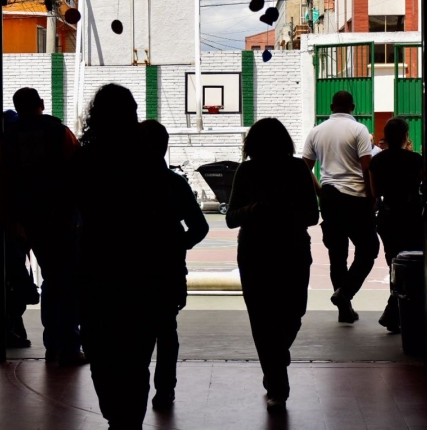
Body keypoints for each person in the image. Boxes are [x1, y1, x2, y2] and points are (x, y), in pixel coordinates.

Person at [72, 84, 179, 429]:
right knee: (135, 363)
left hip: (97, 275)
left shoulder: (83, 160)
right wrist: (174, 280)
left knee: (103, 360)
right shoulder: (149, 165)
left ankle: (118, 417)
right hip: (143, 276)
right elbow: (166, 229)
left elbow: (69, 220)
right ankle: (127, 420)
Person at [226, 118, 318, 412]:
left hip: (264, 251)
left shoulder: (290, 170)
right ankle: (278, 385)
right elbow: (232, 216)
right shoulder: (254, 171)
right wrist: (257, 209)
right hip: (279, 251)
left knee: (278, 319)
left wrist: (274, 212)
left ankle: (276, 356)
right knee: (280, 317)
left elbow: (311, 214)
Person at [0, 87, 85, 365]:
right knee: (65, 282)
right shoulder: (60, 133)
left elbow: (1, 180)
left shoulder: (8, 138)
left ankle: (52, 343)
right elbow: (79, 172)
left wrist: (12, 220)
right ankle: (68, 344)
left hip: (27, 220)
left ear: (17, 107)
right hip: (61, 217)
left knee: (49, 279)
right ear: (42, 104)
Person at [140, 120, 209, 410]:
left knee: (135, 336)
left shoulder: (122, 183)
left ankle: (134, 391)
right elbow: (199, 227)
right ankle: (165, 390)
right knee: (166, 331)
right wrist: (178, 244)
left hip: (132, 272)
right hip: (167, 270)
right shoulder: (174, 183)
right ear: (165, 147)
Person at [302, 91, 380, 323]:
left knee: (337, 255)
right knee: (369, 249)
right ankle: (345, 293)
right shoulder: (359, 130)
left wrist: (320, 190)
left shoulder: (316, 131)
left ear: (331, 106)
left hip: (330, 198)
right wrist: (371, 195)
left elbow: (304, 168)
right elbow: (367, 166)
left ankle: (344, 310)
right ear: (353, 107)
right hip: (356, 198)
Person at [0, 109, 39, 348]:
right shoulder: (7, 143)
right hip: (5, 216)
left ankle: (10, 325)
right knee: (14, 273)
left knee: (10, 272)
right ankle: (8, 324)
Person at [370, 117, 423, 332]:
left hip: (388, 216)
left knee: (394, 262)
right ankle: (398, 311)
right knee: (411, 264)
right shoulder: (416, 160)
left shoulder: (377, 161)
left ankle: (394, 311)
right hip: (411, 215)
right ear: (405, 136)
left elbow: (375, 193)